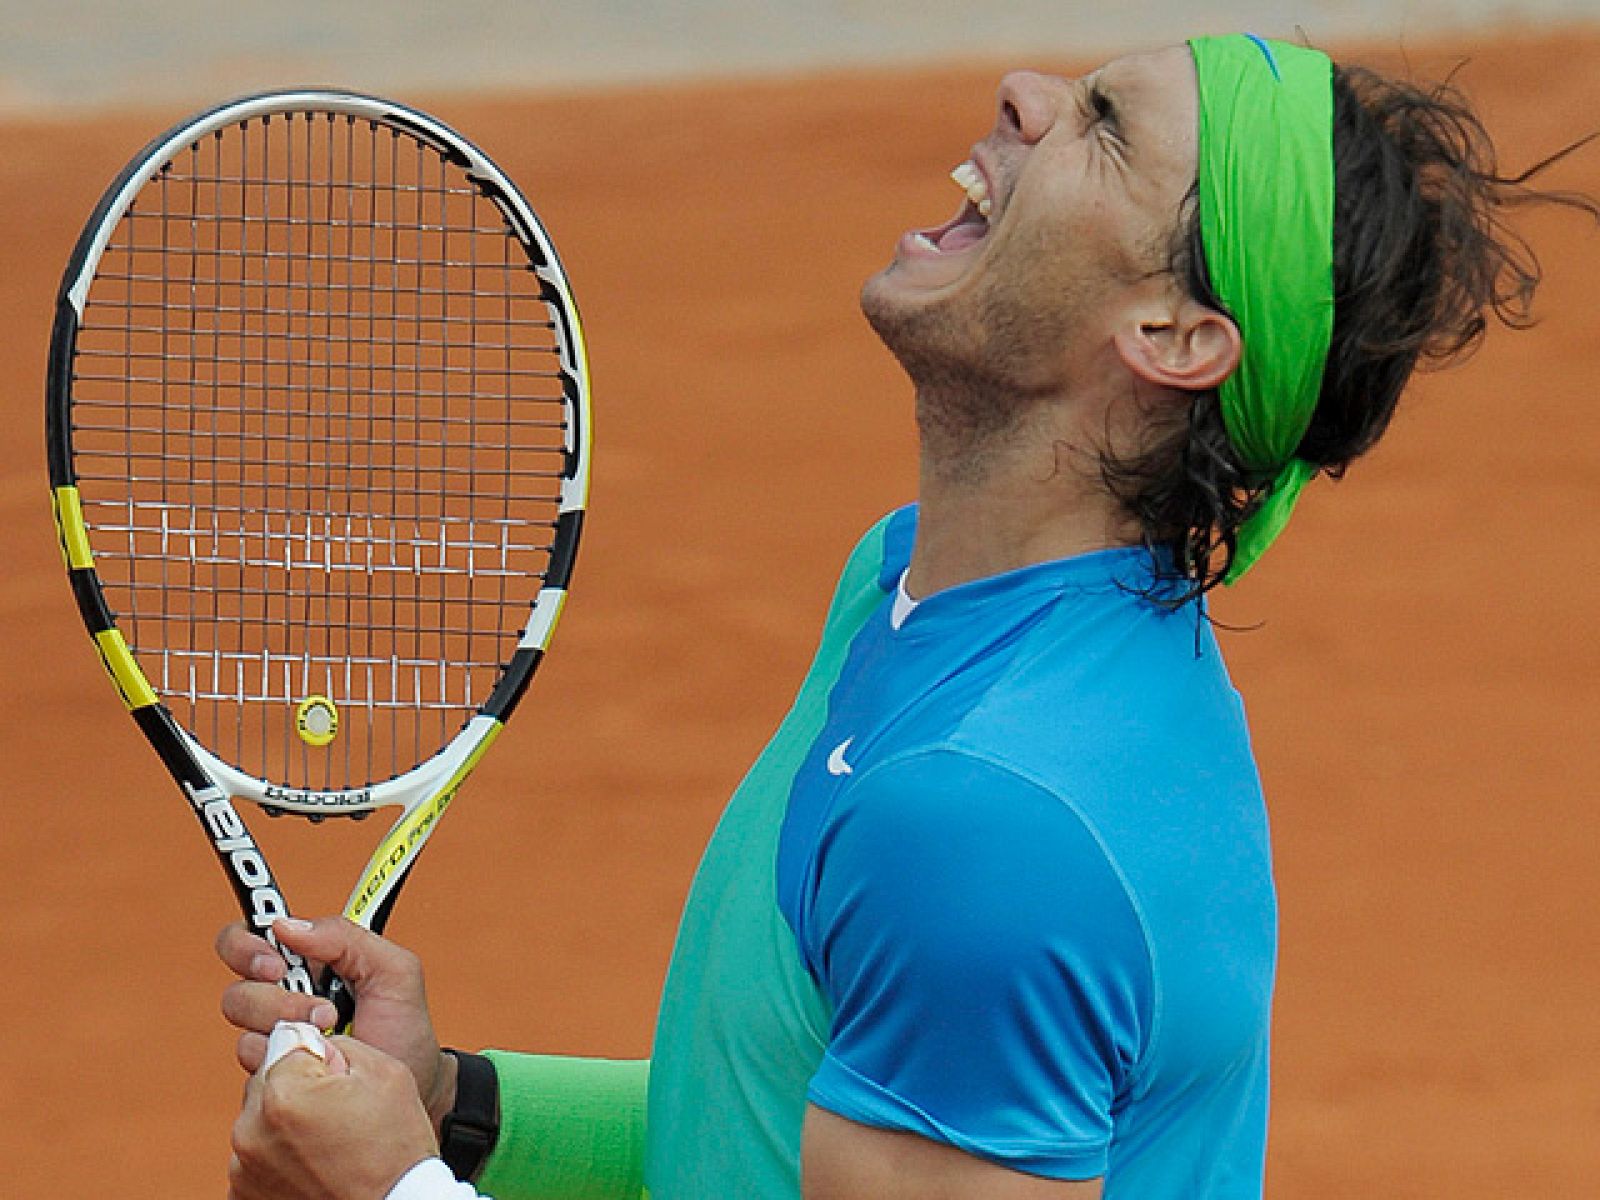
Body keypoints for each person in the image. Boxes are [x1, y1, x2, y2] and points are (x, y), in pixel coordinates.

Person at [218, 33, 1594, 1200]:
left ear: (1175, 336)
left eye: (1106, 129)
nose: (1023, 92)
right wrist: (456, 1107)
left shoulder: (989, 821)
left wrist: (395, 1188)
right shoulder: (916, 588)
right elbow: (782, 1127)